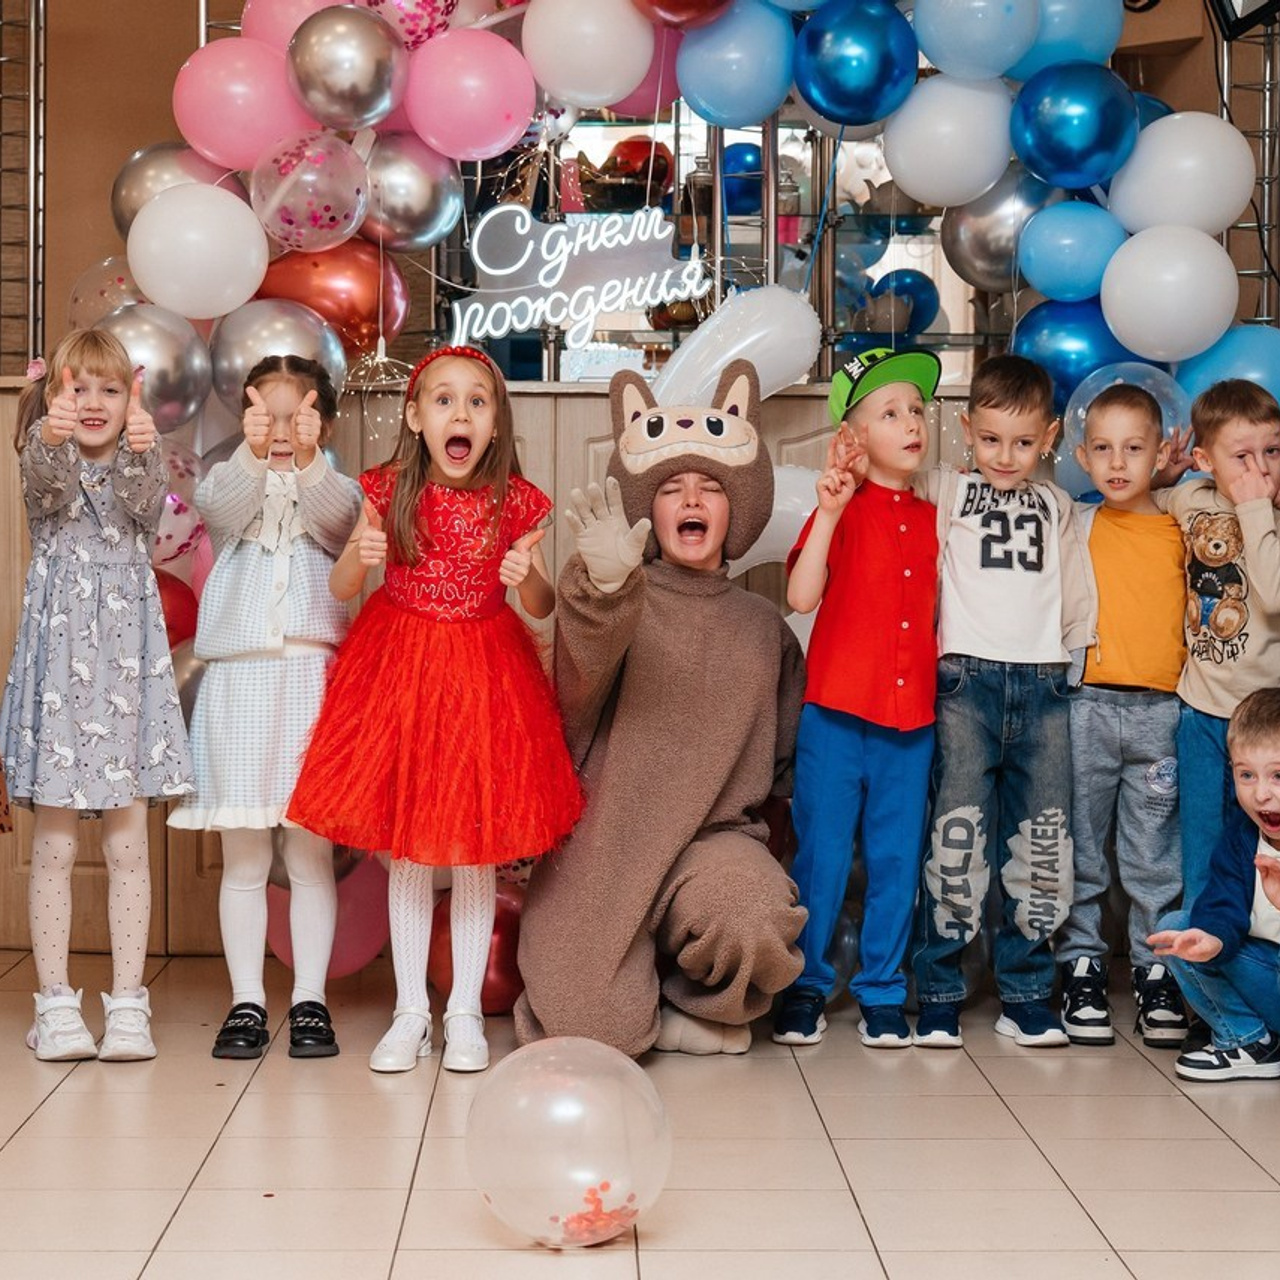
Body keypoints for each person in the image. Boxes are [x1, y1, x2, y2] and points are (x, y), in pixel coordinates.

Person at [287, 345, 582, 1074]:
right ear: (416, 417)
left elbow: (541, 606)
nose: (461, 412)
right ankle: (410, 1011)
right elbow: (345, 585)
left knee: (477, 852)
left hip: (485, 672)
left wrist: (527, 578)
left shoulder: (517, 502)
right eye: (443, 399)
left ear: (495, 422)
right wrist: (361, 552)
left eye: (477, 402)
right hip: (401, 670)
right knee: (411, 853)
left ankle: (462, 1019)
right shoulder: (387, 490)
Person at [515, 359, 807, 1058]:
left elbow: (793, 759)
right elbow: (580, 667)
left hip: (714, 846)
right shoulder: (619, 594)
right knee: (591, 1032)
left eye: (710, 487)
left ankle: (687, 999)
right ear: (649, 507)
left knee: (757, 917)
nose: (692, 500)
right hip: (603, 850)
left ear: (738, 506)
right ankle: (633, 1000)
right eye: (672, 489)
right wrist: (604, 585)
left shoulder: (763, 626)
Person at [1, 329, 194, 1061]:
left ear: (131, 399)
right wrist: (48, 437)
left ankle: (129, 1004)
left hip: (125, 668)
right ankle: (54, 1004)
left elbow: (147, 509)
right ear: (53, 396)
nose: (93, 403)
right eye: (78, 388)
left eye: (111, 390)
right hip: (60, 668)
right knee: (53, 843)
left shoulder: (143, 459)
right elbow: (44, 491)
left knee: (125, 843)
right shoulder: (40, 457)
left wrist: (146, 449)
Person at [169, 356, 362, 1060]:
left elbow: (339, 525)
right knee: (244, 856)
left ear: (326, 421)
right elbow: (219, 511)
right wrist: (253, 453)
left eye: (298, 416)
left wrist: (309, 460)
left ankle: (309, 1001)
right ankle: (246, 1002)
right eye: (267, 416)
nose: (281, 430)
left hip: (313, 679)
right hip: (239, 683)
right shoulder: (229, 479)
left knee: (310, 855)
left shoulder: (336, 486)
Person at [911, 355, 1092, 1049]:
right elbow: (886, 475)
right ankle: (941, 990)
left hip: (1045, 686)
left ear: (1048, 437)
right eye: (990, 440)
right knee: (956, 841)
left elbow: (1077, 592)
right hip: (965, 684)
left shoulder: (1059, 505)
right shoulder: (947, 492)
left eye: (1022, 442)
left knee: (1042, 843)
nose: (1005, 457)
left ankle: (1025, 991)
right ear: (967, 431)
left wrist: (1076, 659)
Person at [772, 348, 941, 1049]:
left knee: (899, 861)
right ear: (854, 433)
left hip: (912, 723)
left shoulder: (939, 519)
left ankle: (881, 990)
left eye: (917, 411)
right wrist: (831, 513)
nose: (912, 423)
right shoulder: (836, 509)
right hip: (835, 718)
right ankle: (805, 988)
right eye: (890, 412)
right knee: (822, 858)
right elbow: (801, 596)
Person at [1056, 384, 1189, 1047]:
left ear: (1161, 453)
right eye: (1103, 449)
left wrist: (1182, 478)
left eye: (1134, 449)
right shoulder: (1075, 522)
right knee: (1082, 845)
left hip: (1160, 712)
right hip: (1087, 705)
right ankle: (1081, 960)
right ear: (1081, 455)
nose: (1117, 463)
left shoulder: (1180, 523)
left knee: (1153, 854)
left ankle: (1157, 967)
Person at [1152, 380, 1280, 909]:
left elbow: (1273, 597)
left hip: (1267, 718)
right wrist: (1163, 473)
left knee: (1261, 850)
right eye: (1242, 456)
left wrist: (1254, 510)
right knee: (1203, 849)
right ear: (1206, 459)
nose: (1261, 469)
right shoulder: (1192, 497)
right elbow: (1138, 497)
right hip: (1201, 712)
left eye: (1272, 451)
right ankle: (1203, 970)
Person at [1150, 687, 1280, 1081]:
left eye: (1279, 775)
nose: (1261, 794)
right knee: (1178, 929)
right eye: (1246, 775)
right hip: (1267, 976)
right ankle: (1251, 1041)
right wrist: (1213, 940)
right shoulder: (1241, 838)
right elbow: (1222, 905)